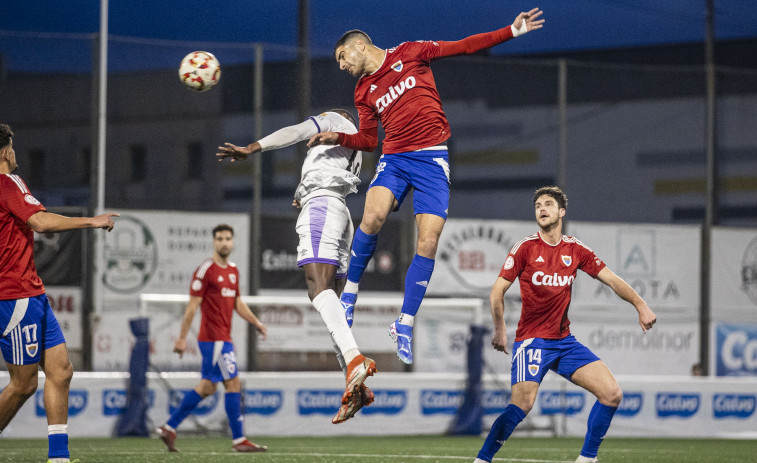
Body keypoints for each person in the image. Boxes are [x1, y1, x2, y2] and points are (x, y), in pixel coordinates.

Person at [307, 8, 545, 364]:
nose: (341, 66)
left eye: (342, 57)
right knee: (371, 218)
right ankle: (349, 297)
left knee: (429, 241)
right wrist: (336, 136)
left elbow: (464, 46)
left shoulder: (411, 52)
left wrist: (511, 31)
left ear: (359, 46)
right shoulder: (363, 92)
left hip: (432, 160)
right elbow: (370, 140)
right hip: (396, 159)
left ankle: (404, 323)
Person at [473, 186, 657, 463]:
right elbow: (496, 292)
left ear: (562, 212)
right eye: (537, 205)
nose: (542, 209)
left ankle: (587, 459)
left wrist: (641, 305)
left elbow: (612, 279)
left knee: (611, 394)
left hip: (563, 341)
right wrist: (500, 329)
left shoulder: (575, 249)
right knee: (522, 404)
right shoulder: (525, 248)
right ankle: (482, 460)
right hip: (532, 340)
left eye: (548, 204)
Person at [217, 109, 376, 424]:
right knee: (333, 302)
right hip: (341, 214)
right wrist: (304, 192)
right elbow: (329, 172)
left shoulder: (335, 120)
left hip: (323, 208)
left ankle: (355, 362)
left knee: (318, 291)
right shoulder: (352, 147)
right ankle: (354, 378)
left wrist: (252, 148)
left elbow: (294, 131)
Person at [0, 123, 118, 463]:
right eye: (14, 148)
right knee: (23, 385)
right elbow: (40, 221)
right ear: (7, 152)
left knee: (61, 370)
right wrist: (91, 222)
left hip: (31, 293)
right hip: (16, 297)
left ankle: (59, 457)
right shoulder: (8, 182)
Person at [155, 224, 269, 453]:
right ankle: (239, 440)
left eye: (228, 238)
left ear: (233, 242)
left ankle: (169, 427)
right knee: (233, 383)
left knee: (207, 387)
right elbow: (192, 307)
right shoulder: (205, 270)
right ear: (214, 242)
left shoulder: (234, 271)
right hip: (213, 339)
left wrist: (256, 322)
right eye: (220, 239)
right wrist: (181, 338)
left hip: (222, 339)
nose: (224, 242)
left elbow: (237, 303)